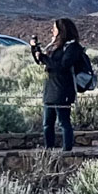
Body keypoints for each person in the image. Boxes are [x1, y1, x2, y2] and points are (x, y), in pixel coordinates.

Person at [29, 17, 85, 152]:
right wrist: (34, 50)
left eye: (54, 28)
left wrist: (43, 57)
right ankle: (48, 149)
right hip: (50, 89)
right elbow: (44, 62)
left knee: (63, 122)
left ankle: (67, 150)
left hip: (63, 89)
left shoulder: (72, 47)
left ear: (62, 30)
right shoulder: (55, 46)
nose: (52, 31)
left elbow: (62, 66)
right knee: (47, 124)